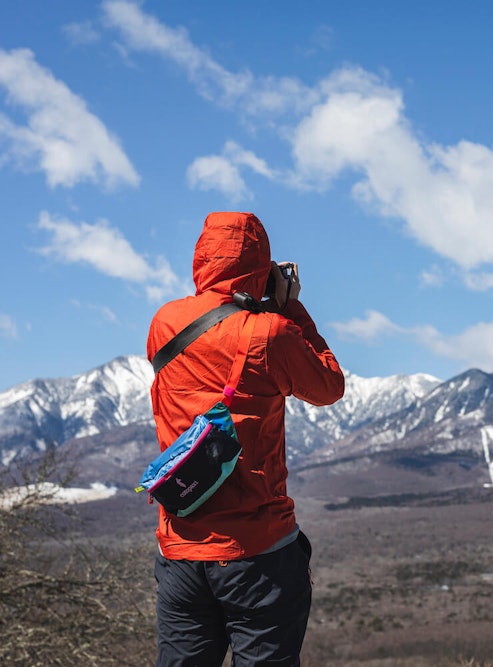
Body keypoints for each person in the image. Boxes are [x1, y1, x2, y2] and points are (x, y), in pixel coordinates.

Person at [146, 211, 345, 667]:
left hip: (180, 548)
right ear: (262, 265)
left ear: (201, 259)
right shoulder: (270, 332)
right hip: (257, 552)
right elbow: (329, 386)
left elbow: (208, 344)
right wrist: (289, 306)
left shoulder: (163, 324)